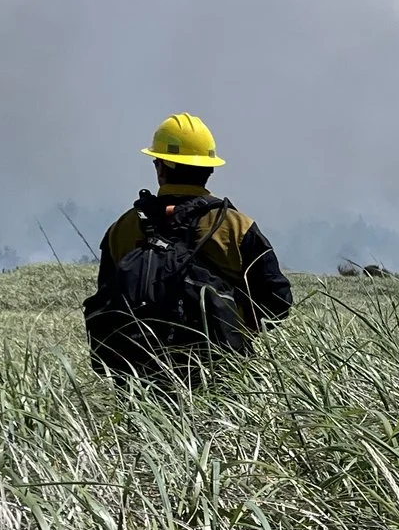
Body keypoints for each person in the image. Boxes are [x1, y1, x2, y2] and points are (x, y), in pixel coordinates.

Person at [84, 112, 293, 384]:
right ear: (209, 169)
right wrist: (236, 328)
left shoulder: (122, 228)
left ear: (160, 167)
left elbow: (107, 302)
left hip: (141, 384)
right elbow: (278, 301)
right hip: (220, 381)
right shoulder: (236, 226)